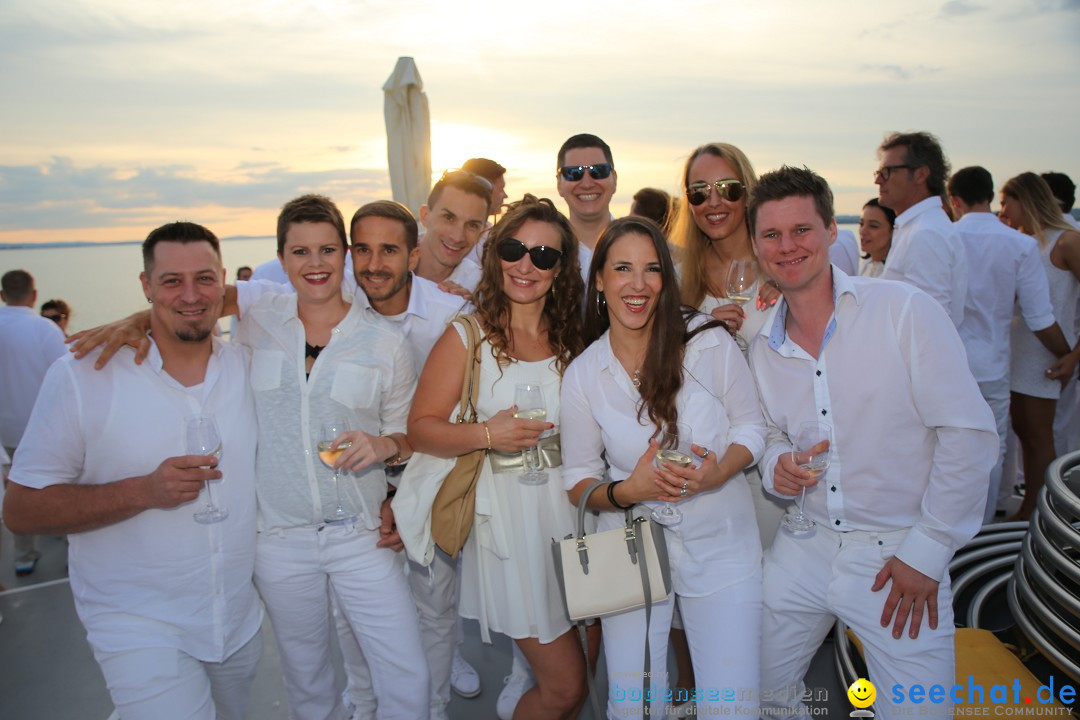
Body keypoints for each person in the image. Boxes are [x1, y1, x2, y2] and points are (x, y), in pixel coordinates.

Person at [747, 165, 996, 719]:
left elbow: (970, 435)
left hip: (896, 557)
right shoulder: (762, 344)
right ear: (756, 246)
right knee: (758, 690)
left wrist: (928, 552)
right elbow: (767, 434)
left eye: (802, 230)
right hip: (802, 545)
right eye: (771, 235)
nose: (788, 247)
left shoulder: (904, 311)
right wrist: (775, 466)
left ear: (832, 230)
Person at [3, 222, 264, 719]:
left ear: (224, 282)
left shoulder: (246, 367)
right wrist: (143, 491)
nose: (191, 295)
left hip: (236, 620)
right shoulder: (82, 377)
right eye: (171, 282)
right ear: (145, 287)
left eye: (204, 279)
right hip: (137, 622)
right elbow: (20, 509)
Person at [561, 215, 766, 718]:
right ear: (601, 281)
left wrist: (718, 473)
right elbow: (578, 479)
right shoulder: (585, 373)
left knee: (731, 705)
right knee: (633, 705)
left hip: (721, 540)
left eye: (652, 269)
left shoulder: (706, 339)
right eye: (623, 269)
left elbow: (751, 428)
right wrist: (629, 490)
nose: (638, 284)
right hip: (631, 548)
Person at [406, 195, 590, 720]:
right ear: (495, 255)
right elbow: (421, 430)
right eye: (513, 248)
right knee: (563, 687)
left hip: (576, 518)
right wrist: (488, 433)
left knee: (585, 674)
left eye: (544, 256)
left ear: (561, 270)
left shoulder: (573, 338)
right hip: (512, 530)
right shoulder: (468, 337)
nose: (526, 265)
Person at [668, 142, 786, 547]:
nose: (713, 202)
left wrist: (786, 283)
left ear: (748, 192)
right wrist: (700, 331)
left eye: (728, 188)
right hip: (707, 460)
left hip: (772, 454)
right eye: (699, 192)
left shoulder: (784, 268)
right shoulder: (679, 278)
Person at [949, 166, 1071, 523]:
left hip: (948, 363)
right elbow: (1039, 317)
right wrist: (1069, 354)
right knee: (992, 448)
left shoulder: (944, 237)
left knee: (944, 448)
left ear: (954, 200)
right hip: (993, 365)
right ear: (988, 195)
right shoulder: (1020, 244)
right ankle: (982, 528)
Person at [999, 173, 1080, 520]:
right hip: (1017, 348)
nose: (1002, 210)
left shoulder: (1067, 242)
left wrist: (1075, 355)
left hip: (1047, 352)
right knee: (1023, 431)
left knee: (1039, 434)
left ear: (1026, 200)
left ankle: (1041, 511)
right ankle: (1031, 504)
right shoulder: (1024, 241)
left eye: (1006, 202)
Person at [0, 269, 66, 576]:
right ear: (34, 295)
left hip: (6, 429)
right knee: (63, 483)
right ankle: (69, 542)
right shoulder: (45, 329)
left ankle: (24, 555)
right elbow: (65, 376)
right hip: (44, 425)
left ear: (2, 295)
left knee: (17, 488)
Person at [874, 131, 967, 326]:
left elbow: (930, 322)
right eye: (878, 173)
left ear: (920, 174)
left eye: (887, 171)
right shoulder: (917, 227)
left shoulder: (926, 233)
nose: (878, 180)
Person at [415, 169, 493, 292]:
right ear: (425, 216)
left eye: (472, 225)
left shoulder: (481, 288)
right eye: (448, 218)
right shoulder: (386, 265)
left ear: (482, 232)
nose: (458, 237)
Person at [556, 133, 617, 276]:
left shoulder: (648, 250)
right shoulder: (546, 252)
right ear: (559, 183)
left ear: (614, 179)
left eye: (598, 171)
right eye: (573, 173)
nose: (587, 184)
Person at [858, 198, 894, 277]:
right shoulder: (861, 266)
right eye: (861, 224)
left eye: (873, 226)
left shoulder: (897, 273)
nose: (862, 231)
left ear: (893, 230)